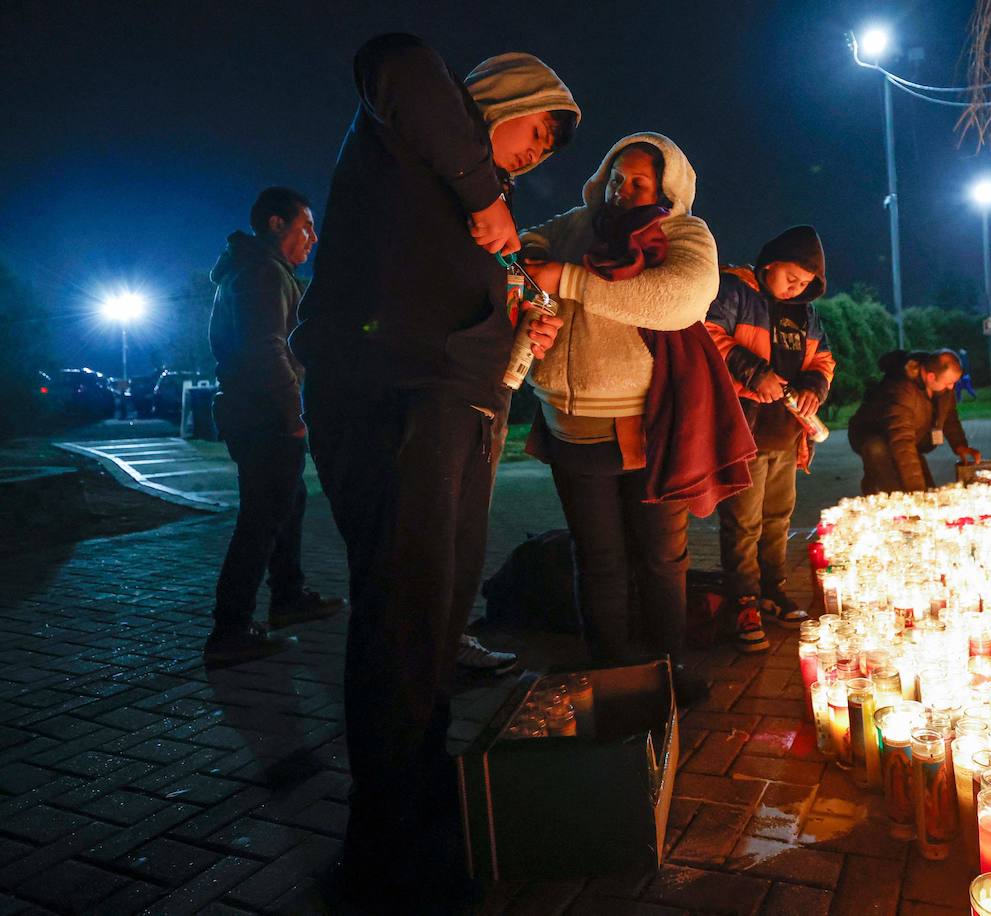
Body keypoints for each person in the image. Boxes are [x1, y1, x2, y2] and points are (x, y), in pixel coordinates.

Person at [287, 34, 578, 903]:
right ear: (494, 101)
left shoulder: (476, 221)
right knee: (403, 605)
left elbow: (465, 309)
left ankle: (422, 792)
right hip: (391, 395)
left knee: (441, 612)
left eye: (552, 150)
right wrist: (486, 192)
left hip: (463, 406)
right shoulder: (407, 137)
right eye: (538, 130)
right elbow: (392, 54)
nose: (539, 154)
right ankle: (380, 847)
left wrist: (520, 332)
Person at [517, 133, 720, 704]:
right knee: (597, 556)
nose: (622, 190)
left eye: (638, 183)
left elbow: (681, 300)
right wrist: (531, 256)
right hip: (568, 423)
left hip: (650, 425)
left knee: (662, 557)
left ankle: (668, 665)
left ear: (667, 187)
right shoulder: (575, 225)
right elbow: (525, 244)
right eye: (615, 177)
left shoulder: (684, 233)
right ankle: (608, 668)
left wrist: (570, 280)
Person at [204, 187, 342, 667]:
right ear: (276, 223)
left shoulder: (256, 269)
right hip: (263, 414)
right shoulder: (261, 272)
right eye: (306, 225)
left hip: (253, 411)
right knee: (261, 518)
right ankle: (230, 627)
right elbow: (266, 348)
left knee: (288, 502)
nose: (314, 237)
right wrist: (292, 414)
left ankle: (288, 596)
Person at [705, 226, 834, 653]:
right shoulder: (734, 291)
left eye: (805, 284)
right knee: (743, 522)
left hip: (786, 435)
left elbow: (823, 358)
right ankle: (743, 601)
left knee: (778, 517)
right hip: (743, 429)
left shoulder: (805, 314)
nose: (797, 289)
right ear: (768, 265)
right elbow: (708, 335)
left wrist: (815, 385)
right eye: (791, 279)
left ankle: (773, 591)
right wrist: (754, 372)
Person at [847, 349, 981, 494]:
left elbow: (949, 417)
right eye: (949, 383)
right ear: (930, 377)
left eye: (954, 382)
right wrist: (917, 491)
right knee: (887, 466)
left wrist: (959, 445)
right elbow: (902, 441)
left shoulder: (942, 387)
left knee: (924, 487)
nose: (951, 387)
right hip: (874, 436)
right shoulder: (901, 391)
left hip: (904, 440)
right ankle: (886, 498)